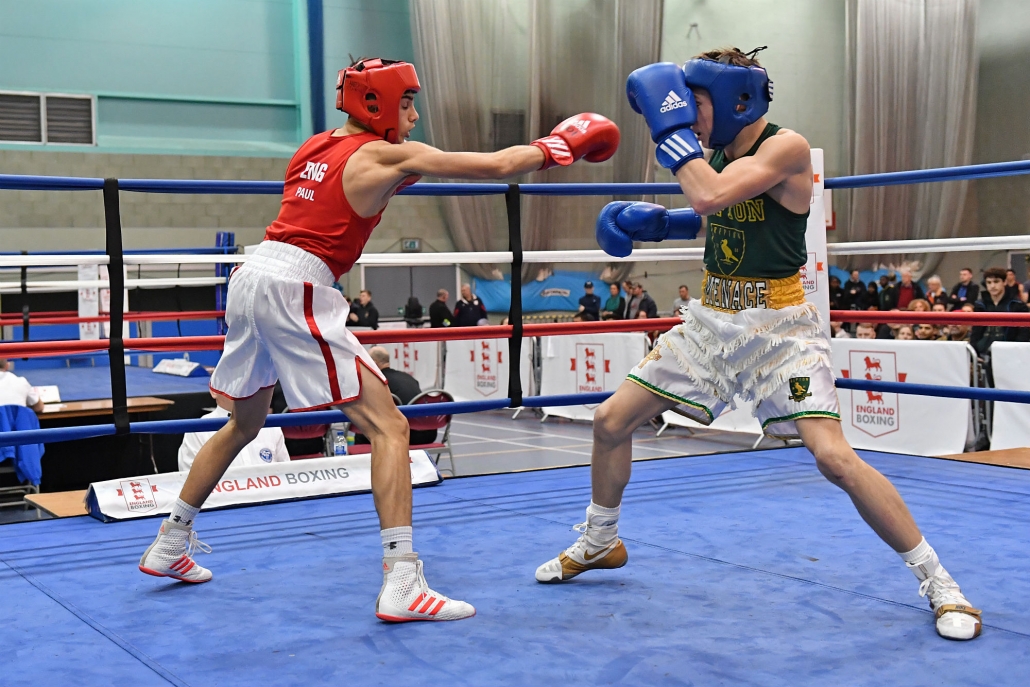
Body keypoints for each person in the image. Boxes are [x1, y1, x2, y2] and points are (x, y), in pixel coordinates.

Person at [138, 56, 619, 623]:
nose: (415, 114)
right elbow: (497, 165)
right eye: (409, 102)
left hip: (250, 277)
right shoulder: (384, 153)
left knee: (243, 423)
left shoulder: (312, 147)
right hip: (295, 285)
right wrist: (562, 143)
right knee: (389, 425)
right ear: (379, 105)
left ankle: (170, 542)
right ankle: (402, 580)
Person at [541, 47, 981, 641]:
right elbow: (715, 213)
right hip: (711, 321)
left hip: (778, 332)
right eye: (684, 105)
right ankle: (600, 541)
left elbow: (712, 196)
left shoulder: (785, 147)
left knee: (834, 458)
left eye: (694, 103)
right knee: (610, 421)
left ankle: (942, 584)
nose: (689, 115)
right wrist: (660, 224)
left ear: (732, 99)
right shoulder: (719, 154)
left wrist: (670, 134)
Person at [178, 392, 289, 471]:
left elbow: (287, 473)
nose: (241, 389)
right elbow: (189, 483)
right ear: (214, 391)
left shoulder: (270, 426)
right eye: (232, 382)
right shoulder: (199, 430)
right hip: (220, 502)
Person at [354, 347, 437, 445]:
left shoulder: (376, 382)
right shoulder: (408, 377)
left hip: (406, 435)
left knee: (363, 431)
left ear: (374, 363)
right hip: (430, 432)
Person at [970, 267, 1030, 361]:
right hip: (983, 354)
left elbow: (1024, 334)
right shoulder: (980, 305)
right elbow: (975, 332)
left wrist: (1014, 353)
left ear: (1004, 282)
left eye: (996, 281)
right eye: (989, 282)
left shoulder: (1017, 305)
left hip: (1008, 356)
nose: (992, 286)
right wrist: (974, 353)